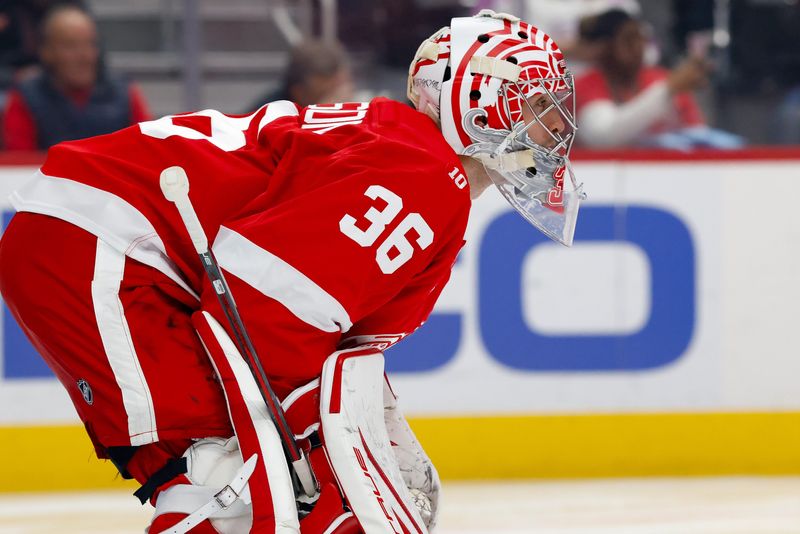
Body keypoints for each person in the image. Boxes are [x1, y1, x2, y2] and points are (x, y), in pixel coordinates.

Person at [0, 9, 581, 533]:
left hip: (106, 245)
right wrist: (322, 448)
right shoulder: (424, 176)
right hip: (104, 246)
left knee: (234, 482)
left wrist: (354, 426)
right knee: (228, 491)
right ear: (475, 102)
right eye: (535, 107)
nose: (556, 129)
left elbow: (302, 326)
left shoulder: (411, 161)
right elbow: (261, 313)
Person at [573, 8, 740, 149]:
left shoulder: (659, 78)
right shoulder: (584, 84)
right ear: (604, 47)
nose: (638, 47)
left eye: (641, 38)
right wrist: (667, 89)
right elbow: (603, 136)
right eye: (629, 40)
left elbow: (696, 134)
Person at [1, 4, 149, 150]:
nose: (84, 56)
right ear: (47, 52)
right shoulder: (26, 98)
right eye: (71, 46)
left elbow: (148, 152)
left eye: (90, 44)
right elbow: (19, 164)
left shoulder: (124, 93)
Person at [246, 39, 354, 111]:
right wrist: (326, 111)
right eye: (326, 94)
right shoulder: (271, 115)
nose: (340, 97)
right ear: (298, 92)